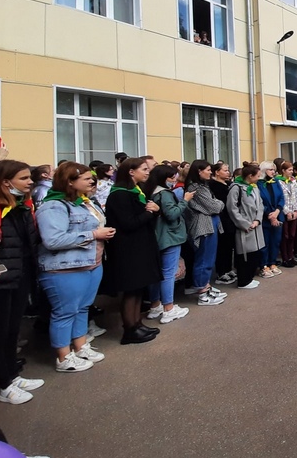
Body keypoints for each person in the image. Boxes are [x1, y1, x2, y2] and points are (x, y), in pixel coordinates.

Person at [36, 162, 113, 371]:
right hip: (64, 269)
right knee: (65, 311)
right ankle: (63, 357)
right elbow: (52, 240)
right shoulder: (53, 206)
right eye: (87, 178)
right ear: (70, 182)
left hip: (91, 264)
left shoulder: (83, 202)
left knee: (82, 308)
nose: (92, 181)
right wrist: (93, 235)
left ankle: (80, 346)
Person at [0, 160, 46, 404]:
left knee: (12, 331)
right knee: (0, 331)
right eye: (24, 179)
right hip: (2, 281)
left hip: (22, 275)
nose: (30, 183)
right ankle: (4, 384)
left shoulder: (21, 207)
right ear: (6, 182)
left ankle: (11, 375)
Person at [103, 158, 162, 344]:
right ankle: (129, 329)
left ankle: (137, 323)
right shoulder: (120, 194)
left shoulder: (135, 191)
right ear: (131, 171)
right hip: (128, 248)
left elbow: (144, 216)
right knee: (131, 288)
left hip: (140, 245)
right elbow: (128, 223)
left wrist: (155, 210)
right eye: (144, 169)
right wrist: (149, 212)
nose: (147, 172)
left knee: (139, 287)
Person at [142, 165, 191, 324]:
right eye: (171, 177)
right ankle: (168, 308)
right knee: (168, 273)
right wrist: (185, 201)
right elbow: (173, 214)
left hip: (157, 236)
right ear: (163, 178)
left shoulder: (150, 191)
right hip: (169, 236)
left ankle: (155, 305)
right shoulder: (165, 194)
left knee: (157, 273)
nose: (174, 180)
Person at [184, 160, 227, 305]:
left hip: (210, 224)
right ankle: (202, 293)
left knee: (208, 258)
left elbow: (215, 203)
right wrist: (218, 204)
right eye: (208, 170)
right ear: (199, 171)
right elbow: (214, 206)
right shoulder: (196, 188)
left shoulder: (203, 186)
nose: (210, 172)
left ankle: (206, 286)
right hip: (203, 227)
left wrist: (217, 203)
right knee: (203, 259)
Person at [227, 164, 265, 289]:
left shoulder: (254, 187)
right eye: (257, 176)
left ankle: (250, 277)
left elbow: (260, 204)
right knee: (245, 254)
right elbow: (232, 208)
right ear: (250, 176)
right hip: (245, 226)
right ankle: (243, 281)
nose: (259, 178)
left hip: (255, 225)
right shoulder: (236, 188)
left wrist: (257, 220)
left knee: (255, 253)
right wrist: (244, 223)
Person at [209, 161, 236, 285]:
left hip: (231, 218)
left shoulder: (229, 184)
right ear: (217, 172)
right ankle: (221, 272)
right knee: (222, 247)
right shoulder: (214, 186)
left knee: (229, 245)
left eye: (228, 170)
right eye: (225, 170)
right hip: (222, 219)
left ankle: (228, 269)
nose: (228, 172)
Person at [258, 161, 286, 274]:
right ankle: (263, 265)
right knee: (265, 242)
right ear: (264, 171)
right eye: (270, 170)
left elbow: (282, 198)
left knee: (275, 241)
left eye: (274, 170)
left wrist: (277, 211)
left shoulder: (276, 182)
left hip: (277, 215)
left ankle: (272, 262)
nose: (273, 172)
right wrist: (270, 215)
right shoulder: (259, 183)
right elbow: (259, 201)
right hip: (266, 218)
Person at [277, 161, 297, 266]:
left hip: (294, 212)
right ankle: (285, 258)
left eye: (292, 170)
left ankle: (291, 256)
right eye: (289, 170)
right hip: (284, 212)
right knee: (285, 236)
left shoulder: (293, 181)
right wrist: (287, 212)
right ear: (283, 171)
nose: (291, 172)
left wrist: (296, 211)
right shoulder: (278, 182)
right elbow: (280, 198)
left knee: (292, 235)